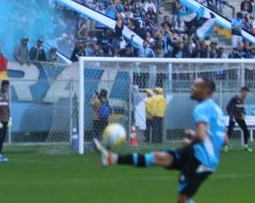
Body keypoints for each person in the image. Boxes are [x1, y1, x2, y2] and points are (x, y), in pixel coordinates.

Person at [94, 77, 225, 203]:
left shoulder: (201, 108)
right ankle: (111, 158)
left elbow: (202, 136)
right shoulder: (216, 109)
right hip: (197, 153)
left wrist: (190, 142)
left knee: (183, 200)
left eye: (196, 86)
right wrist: (194, 135)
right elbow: (224, 139)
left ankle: (111, 158)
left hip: (202, 159)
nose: (192, 87)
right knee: (158, 158)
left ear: (206, 90)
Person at [224, 86, 251, 152]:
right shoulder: (235, 98)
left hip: (239, 118)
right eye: (246, 92)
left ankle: (246, 146)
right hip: (233, 117)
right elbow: (228, 107)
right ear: (243, 91)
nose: (247, 94)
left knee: (246, 130)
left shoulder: (242, 100)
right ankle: (226, 146)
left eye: (247, 93)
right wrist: (231, 115)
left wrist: (243, 114)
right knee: (230, 130)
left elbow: (241, 108)